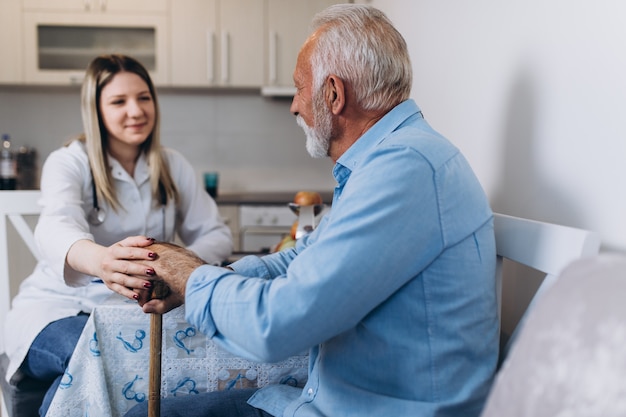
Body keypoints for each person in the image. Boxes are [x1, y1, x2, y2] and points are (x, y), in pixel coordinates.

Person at [127, 4, 499, 417]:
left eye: (299, 88)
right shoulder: (391, 160)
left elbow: (277, 326)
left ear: (334, 94)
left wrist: (188, 276)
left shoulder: (404, 169)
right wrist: (209, 277)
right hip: (326, 401)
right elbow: (303, 257)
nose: (293, 106)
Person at [2, 54, 233, 416]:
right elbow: (54, 226)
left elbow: (216, 235)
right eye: (118, 101)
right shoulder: (70, 162)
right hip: (57, 308)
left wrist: (169, 266)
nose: (136, 111)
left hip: (134, 313)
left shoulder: (171, 165)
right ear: (95, 110)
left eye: (143, 97)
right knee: (91, 358)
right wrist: (104, 261)